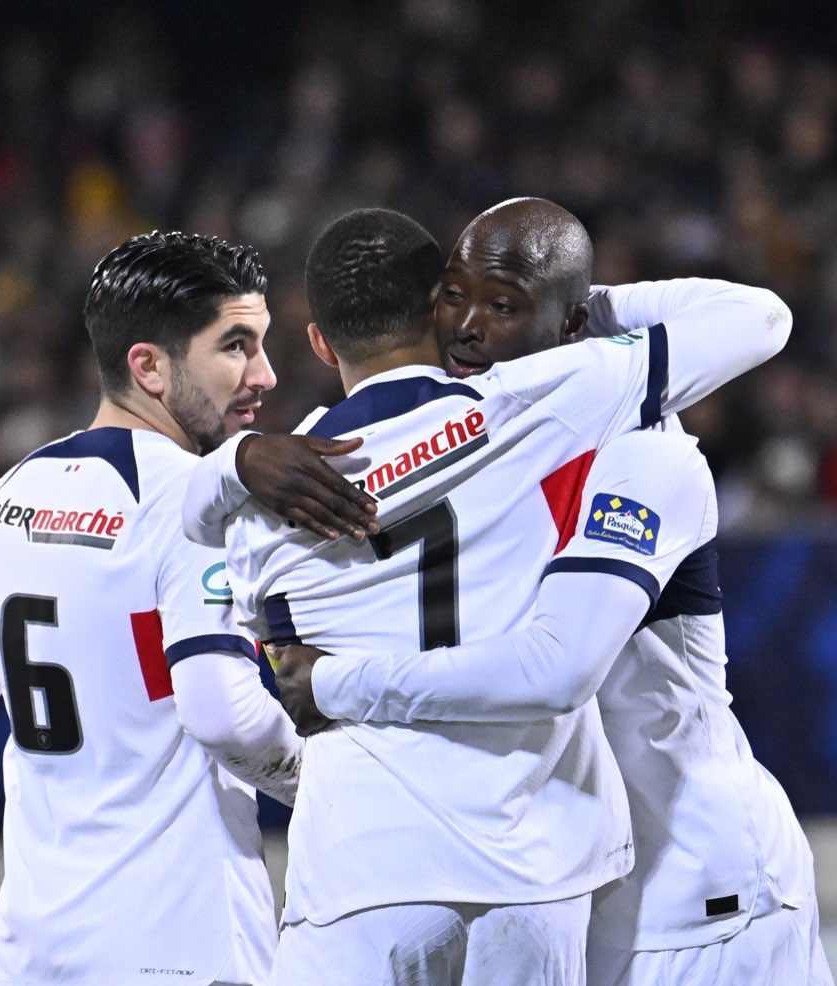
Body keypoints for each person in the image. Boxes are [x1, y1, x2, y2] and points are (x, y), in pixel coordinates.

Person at [182, 205, 791, 984]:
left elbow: (189, 557)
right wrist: (571, 310)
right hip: (533, 864)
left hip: (358, 862)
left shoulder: (256, 496)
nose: (474, 326)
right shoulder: (539, 405)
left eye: (499, 305)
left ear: (319, 340)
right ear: (435, 306)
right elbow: (758, 317)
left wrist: (230, 466)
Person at [0, 231, 306, 986]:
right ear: (149, 366)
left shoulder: (3, 501)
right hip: (179, 947)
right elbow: (221, 716)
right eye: (236, 346)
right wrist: (337, 781)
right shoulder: (197, 502)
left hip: (35, 953)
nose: (264, 373)